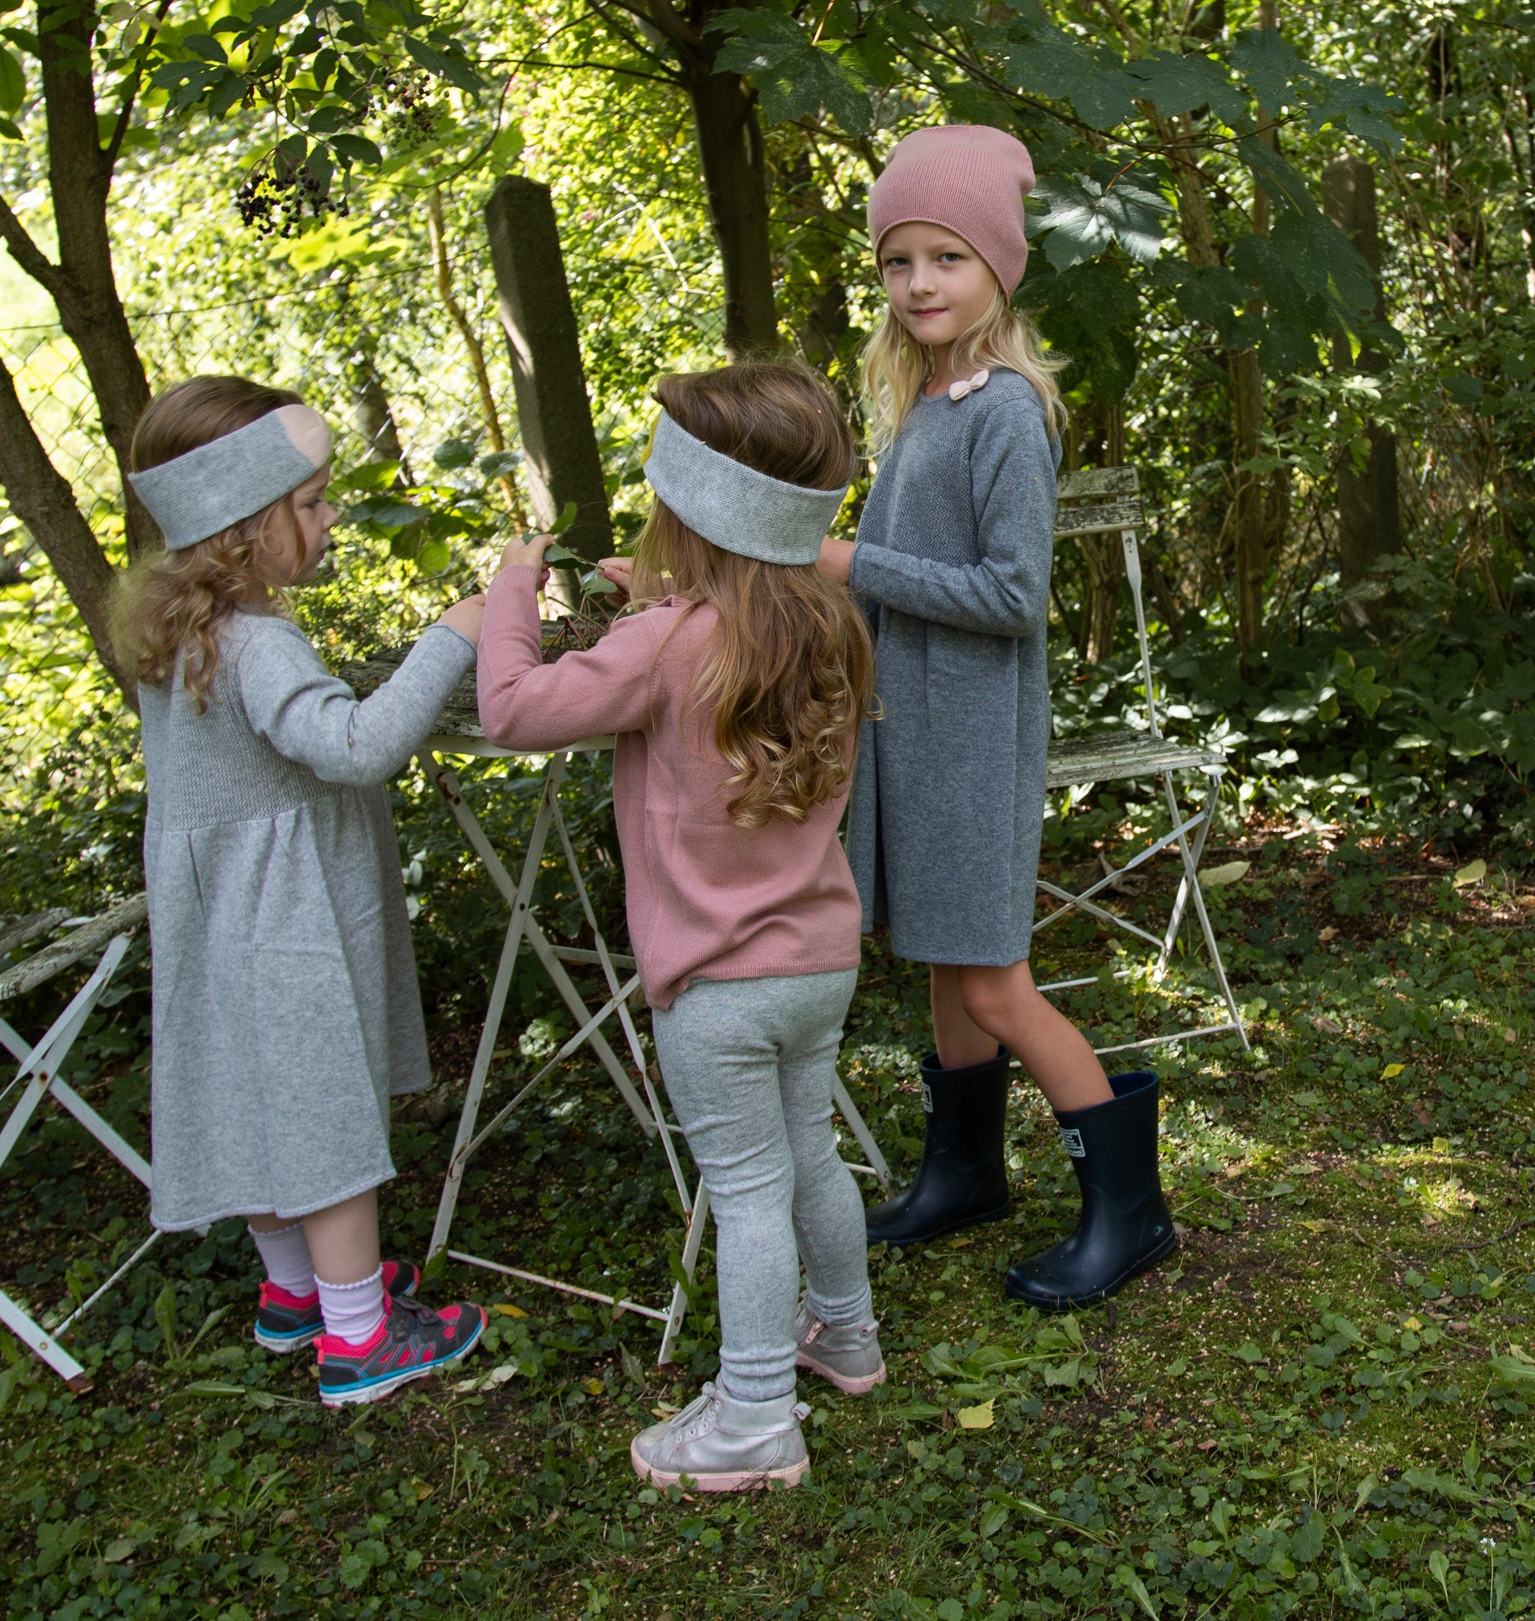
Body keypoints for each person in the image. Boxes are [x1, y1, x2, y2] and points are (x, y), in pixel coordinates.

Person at [478, 362, 880, 1494]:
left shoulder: (662, 646)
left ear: (689, 512)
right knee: (810, 1155)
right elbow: (717, 646)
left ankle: (755, 1411)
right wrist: (658, 601)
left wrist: (510, 591)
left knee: (746, 1188)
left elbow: (514, 706)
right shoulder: (827, 625)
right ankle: (845, 1335)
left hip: (714, 986)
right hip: (816, 962)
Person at [818, 123, 1176, 1308]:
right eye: (896, 260)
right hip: (906, 728)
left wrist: (852, 563)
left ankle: (1128, 1213)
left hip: (967, 739)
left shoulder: (1005, 409)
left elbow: (1013, 596)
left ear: (998, 269)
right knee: (939, 961)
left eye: (946, 257)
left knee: (993, 983)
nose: (918, 282)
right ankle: (962, 1171)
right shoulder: (927, 399)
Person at [121, 375, 488, 1406]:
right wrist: (452, 633)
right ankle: (360, 1337)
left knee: (259, 1094)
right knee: (324, 1115)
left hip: (218, 912)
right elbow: (354, 746)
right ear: (245, 524)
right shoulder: (261, 641)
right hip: (285, 922)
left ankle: (297, 1294)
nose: (330, 520)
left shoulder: (180, 631)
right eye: (315, 501)